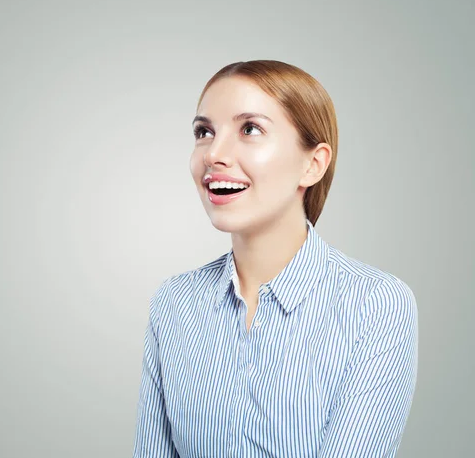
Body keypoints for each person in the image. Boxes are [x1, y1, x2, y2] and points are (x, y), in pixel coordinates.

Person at [132, 60, 418, 458]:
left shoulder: (375, 305)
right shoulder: (174, 303)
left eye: (250, 129)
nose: (214, 153)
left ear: (312, 164)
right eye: (204, 132)